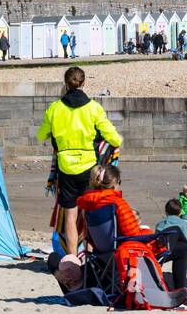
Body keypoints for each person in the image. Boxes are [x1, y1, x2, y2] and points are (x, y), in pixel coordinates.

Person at [75, 167, 187, 301]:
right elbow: (133, 233)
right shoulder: (117, 203)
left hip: (103, 257)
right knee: (179, 238)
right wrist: (147, 232)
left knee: (180, 247)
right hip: (130, 254)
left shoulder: (88, 206)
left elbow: (89, 236)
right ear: (114, 184)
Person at [37, 66, 123, 259]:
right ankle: (91, 255)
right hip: (88, 167)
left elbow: (41, 134)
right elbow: (114, 138)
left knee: (70, 215)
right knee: (90, 213)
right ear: (83, 83)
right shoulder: (93, 108)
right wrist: (115, 143)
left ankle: (72, 257)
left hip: (66, 167)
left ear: (65, 83)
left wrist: (56, 131)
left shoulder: (55, 108)